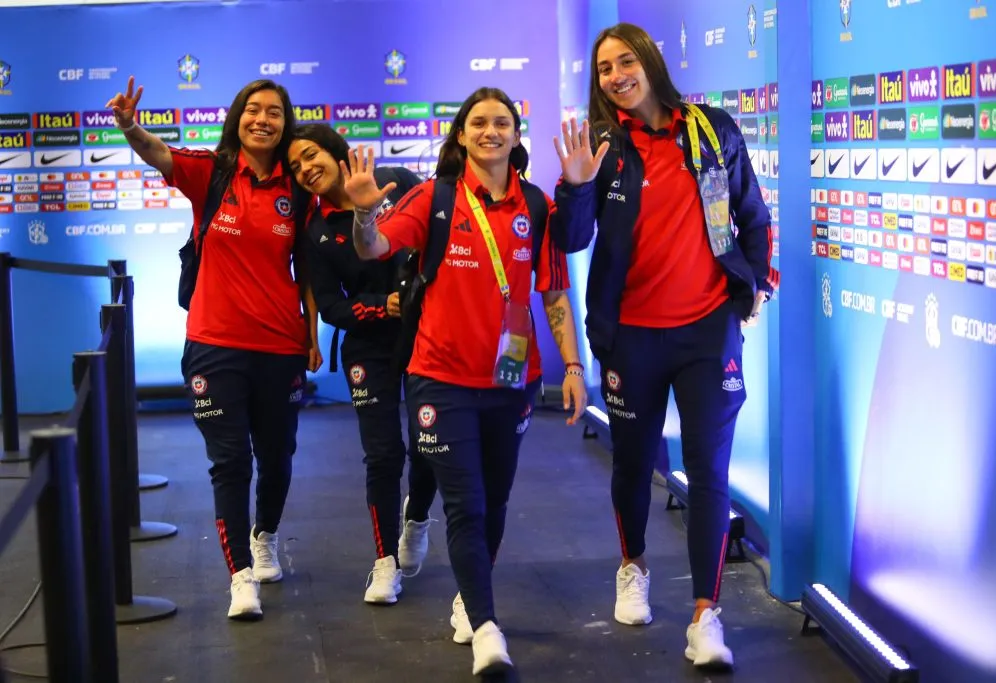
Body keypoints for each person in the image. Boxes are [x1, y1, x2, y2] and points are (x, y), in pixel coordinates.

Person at [548, 23, 780, 669]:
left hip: (708, 333)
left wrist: (755, 282)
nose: (616, 75)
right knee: (632, 464)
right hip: (632, 338)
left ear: (649, 60)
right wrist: (573, 186)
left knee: (709, 471)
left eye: (625, 61)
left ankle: (707, 615)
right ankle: (633, 565)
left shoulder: (711, 131)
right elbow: (570, 239)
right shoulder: (603, 146)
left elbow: (752, 215)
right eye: (603, 69)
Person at [345, 87, 587, 676]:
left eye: (502, 122)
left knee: (496, 501)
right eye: (478, 123)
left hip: (511, 379)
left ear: (515, 133)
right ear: (460, 134)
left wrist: (573, 366)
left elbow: (554, 291)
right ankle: (485, 628)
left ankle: (469, 594)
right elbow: (375, 246)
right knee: (466, 504)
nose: (490, 132)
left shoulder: (535, 204)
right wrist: (361, 210)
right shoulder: (433, 198)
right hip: (439, 379)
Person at [106, 77, 322, 620]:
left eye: (274, 112)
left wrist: (314, 336)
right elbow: (158, 153)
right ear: (238, 117)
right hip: (213, 344)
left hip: (280, 346)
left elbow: (309, 276)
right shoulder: (213, 172)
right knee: (229, 462)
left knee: (277, 459)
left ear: (285, 123)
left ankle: (265, 537)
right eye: (253, 110)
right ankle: (240, 577)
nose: (263, 120)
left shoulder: (298, 190)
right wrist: (130, 124)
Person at [287, 123, 438, 604]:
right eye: (295, 166)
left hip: (426, 338)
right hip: (368, 346)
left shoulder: (392, 178)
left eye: (312, 155)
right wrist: (381, 305)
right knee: (383, 454)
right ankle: (384, 563)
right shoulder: (316, 232)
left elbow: (438, 236)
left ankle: (416, 520)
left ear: (335, 152)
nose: (307, 169)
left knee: (430, 446)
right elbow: (331, 306)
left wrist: (417, 298)